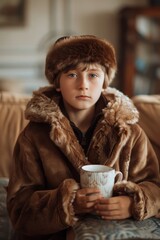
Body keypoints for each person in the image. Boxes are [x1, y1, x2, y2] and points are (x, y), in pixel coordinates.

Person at [7, 35, 160, 240]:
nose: (83, 85)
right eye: (71, 74)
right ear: (57, 83)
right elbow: (19, 208)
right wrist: (68, 203)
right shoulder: (34, 136)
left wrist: (134, 203)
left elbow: (154, 186)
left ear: (105, 82)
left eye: (93, 75)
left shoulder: (129, 132)